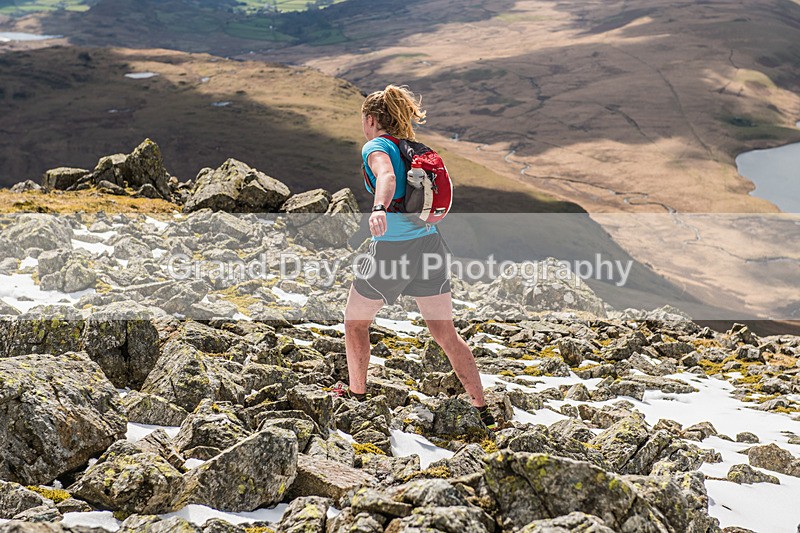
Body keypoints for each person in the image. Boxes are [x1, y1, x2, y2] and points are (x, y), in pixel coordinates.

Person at [334, 84, 496, 432]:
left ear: (372, 119)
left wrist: (378, 207)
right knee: (445, 333)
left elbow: (387, 176)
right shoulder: (413, 149)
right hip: (431, 246)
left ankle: (357, 396)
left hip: (393, 251)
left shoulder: (376, 146)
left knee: (354, 322)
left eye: (364, 119)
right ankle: (482, 409)